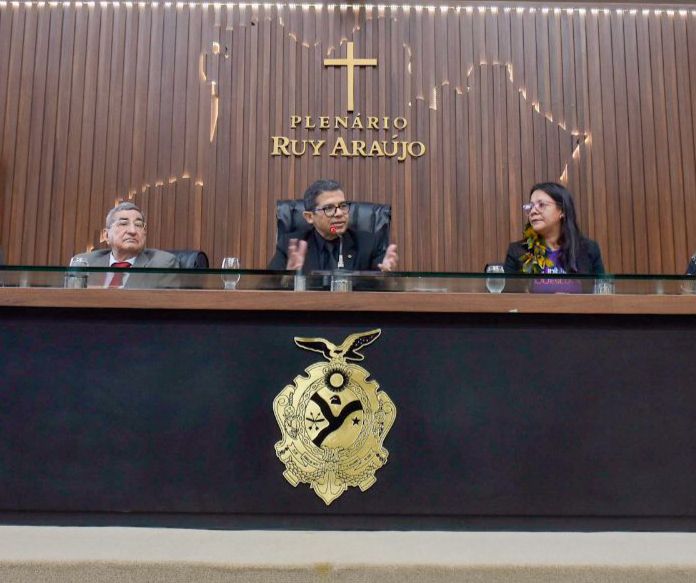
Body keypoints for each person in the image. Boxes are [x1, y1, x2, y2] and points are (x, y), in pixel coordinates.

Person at [268, 179, 398, 274]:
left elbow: (384, 291)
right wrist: (288, 278)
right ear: (309, 217)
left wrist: (386, 277)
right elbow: (268, 289)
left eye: (342, 206)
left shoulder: (369, 244)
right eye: (329, 208)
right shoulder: (290, 246)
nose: (340, 213)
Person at [504, 182, 604, 292]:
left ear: (562, 211)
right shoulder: (517, 252)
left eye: (541, 205)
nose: (533, 211)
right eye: (531, 206)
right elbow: (508, 301)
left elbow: (602, 293)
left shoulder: (588, 250)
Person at [73, 202, 179, 288]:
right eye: (123, 224)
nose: (132, 231)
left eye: (138, 225)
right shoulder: (85, 262)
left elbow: (166, 308)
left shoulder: (162, 263)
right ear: (106, 235)